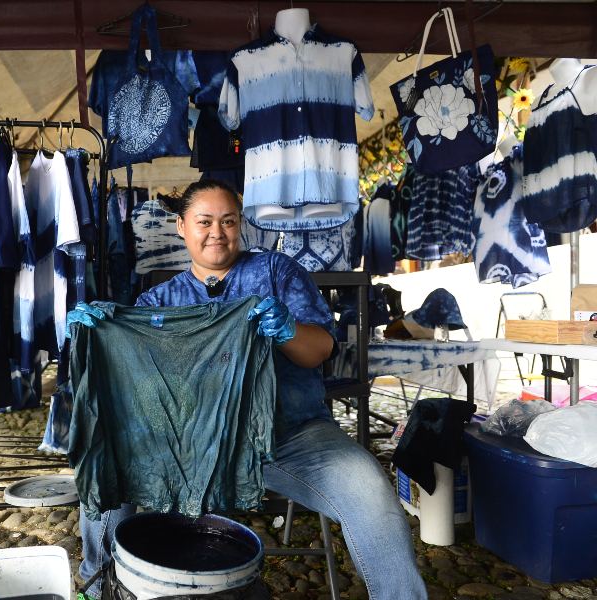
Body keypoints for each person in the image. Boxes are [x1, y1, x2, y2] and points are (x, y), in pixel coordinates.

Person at [68, 179, 427, 599]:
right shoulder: (158, 302)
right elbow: (136, 389)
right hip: (189, 446)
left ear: (242, 226)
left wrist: (287, 329)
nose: (216, 232)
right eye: (204, 221)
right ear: (182, 227)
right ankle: (96, 584)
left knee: (368, 487)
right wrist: (104, 334)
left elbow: (320, 350)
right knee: (106, 461)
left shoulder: (277, 274)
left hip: (287, 436)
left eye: (228, 221)